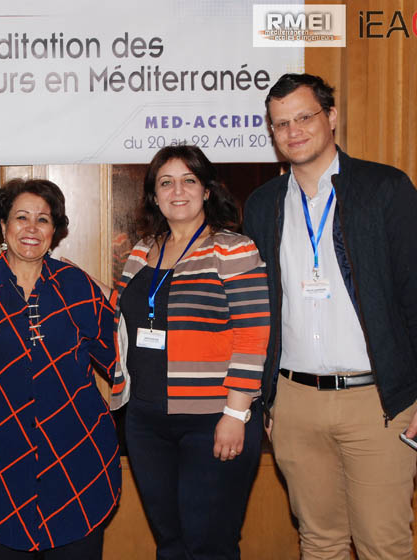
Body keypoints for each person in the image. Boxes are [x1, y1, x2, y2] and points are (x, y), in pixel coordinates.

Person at [243, 73, 417, 559]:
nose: (293, 131)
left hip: (378, 403)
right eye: (281, 124)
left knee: (383, 545)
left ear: (332, 117)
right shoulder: (262, 205)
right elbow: (258, 310)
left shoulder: (384, 189)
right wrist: (268, 401)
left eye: (304, 117)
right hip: (295, 403)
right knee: (319, 543)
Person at [0, 178, 121, 559]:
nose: (32, 228)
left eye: (43, 219)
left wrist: (111, 297)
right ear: (3, 225)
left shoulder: (77, 287)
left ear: (55, 231)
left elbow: (123, 353)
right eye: (21, 217)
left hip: (78, 459)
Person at [108, 145, 270, 559]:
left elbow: (253, 334)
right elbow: (120, 321)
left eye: (188, 180)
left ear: (207, 190)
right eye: (166, 182)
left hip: (213, 419)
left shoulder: (232, 249)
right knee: (171, 543)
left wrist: (236, 414)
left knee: (209, 544)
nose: (177, 191)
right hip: (146, 420)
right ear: (154, 195)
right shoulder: (141, 251)